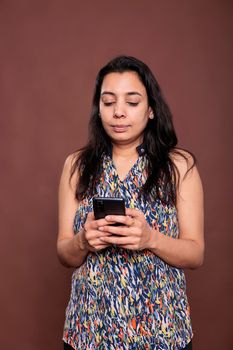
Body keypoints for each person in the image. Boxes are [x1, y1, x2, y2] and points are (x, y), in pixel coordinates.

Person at [57, 55, 204, 350]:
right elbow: (64, 253)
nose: (118, 113)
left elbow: (195, 254)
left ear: (151, 110)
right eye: (108, 102)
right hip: (89, 331)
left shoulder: (178, 165)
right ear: (98, 109)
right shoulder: (76, 165)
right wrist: (83, 241)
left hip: (162, 331)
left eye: (132, 102)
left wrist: (150, 238)